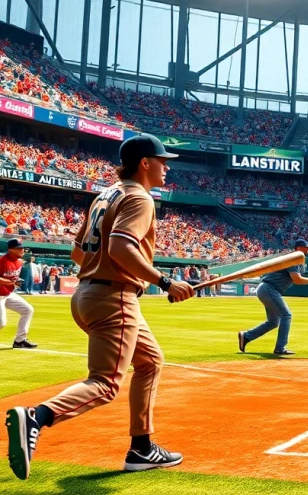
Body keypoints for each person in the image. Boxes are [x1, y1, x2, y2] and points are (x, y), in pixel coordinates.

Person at [5, 133, 196, 481]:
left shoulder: (106, 195)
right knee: (105, 383)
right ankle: (36, 417)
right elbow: (120, 247)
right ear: (145, 163)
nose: (167, 167)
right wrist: (166, 282)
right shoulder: (140, 197)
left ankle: (141, 448)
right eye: (162, 161)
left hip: (88, 294)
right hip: (113, 298)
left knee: (150, 361)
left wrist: (111, 273)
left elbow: (78, 252)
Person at [237, 239, 308, 356]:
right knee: (286, 315)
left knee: (273, 322)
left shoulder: (297, 261)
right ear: (298, 248)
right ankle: (280, 347)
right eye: (306, 248)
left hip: (267, 289)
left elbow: (297, 278)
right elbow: (297, 279)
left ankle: (246, 336)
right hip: (269, 289)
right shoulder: (292, 260)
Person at [0, 239, 36, 348]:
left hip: (8, 294)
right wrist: (11, 282)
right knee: (1, 323)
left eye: (23, 248)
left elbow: (12, 278)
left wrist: (16, 281)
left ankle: (20, 341)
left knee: (28, 310)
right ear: (10, 249)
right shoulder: (2, 261)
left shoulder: (20, 262)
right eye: (19, 248)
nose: (22, 250)